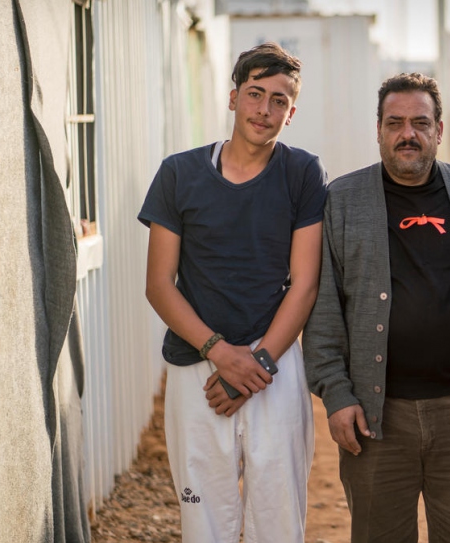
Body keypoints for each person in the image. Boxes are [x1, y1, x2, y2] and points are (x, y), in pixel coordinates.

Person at [303, 72, 450, 543]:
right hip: (376, 417)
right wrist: (336, 394)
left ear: (439, 129)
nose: (407, 134)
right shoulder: (343, 201)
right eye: (395, 123)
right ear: (378, 129)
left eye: (420, 122)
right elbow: (323, 309)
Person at [138, 43, 327, 542]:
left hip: (275, 369)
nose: (265, 110)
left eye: (279, 100)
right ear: (232, 98)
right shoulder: (179, 173)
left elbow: (304, 283)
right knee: (205, 523)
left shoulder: (303, 173)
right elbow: (159, 284)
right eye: (255, 94)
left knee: (279, 522)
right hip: (197, 368)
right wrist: (220, 354)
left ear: (291, 112)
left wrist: (258, 363)